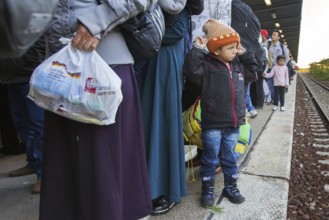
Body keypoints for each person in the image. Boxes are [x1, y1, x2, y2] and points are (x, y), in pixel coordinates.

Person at [38, 1, 154, 219]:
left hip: (101, 73)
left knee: (103, 179)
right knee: (66, 179)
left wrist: (94, 23)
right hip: (60, 71)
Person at [183, 19, 258, 207]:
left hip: (233, 125)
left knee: (229, 157)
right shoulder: (207, 67)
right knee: (210, 158)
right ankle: (207, 189)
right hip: (213, 125)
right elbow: (191, 70)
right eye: (231, 47)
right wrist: (197, 49)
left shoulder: (239, 66)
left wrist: (245, 54)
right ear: (216, 50)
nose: (235, 50)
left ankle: (230, 186)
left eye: (236, 46)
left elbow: (254, 71)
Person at [136, 0, 189, 215]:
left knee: (161, 119)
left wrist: (136, 33)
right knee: (147, 120)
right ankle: (148, 185)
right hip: (148, 57)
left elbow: (177, 30)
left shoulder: (179, 6)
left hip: (163, 58)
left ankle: (163, 188)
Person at [0, 39, 45, 194]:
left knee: (37, 124)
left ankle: (44, 173)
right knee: (21, 123)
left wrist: (33, 60)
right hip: (10, 75)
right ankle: (33, 163)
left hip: (30, 72)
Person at [266, 29, 290, 102]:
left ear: (278, 37)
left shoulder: (282, 46)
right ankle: (274, 100)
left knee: (279, 85)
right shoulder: (269, 45)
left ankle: (278, 100)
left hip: (279, 70)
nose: (272, 36)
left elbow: (287, 58)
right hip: (270, 68)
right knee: (270, 85)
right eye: (272, 35)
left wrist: (282, 67)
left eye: (274, 35)